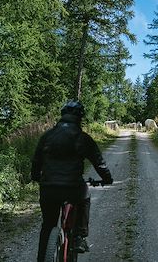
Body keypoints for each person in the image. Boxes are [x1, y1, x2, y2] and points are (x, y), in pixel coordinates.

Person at [31, 100, 113, 262]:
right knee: (85, 194)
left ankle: (42, 258)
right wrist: (107, 179)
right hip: (73, 188)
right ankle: (80, 235)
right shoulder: (82, 137)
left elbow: (36, 161)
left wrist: (36, 177)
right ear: (79, 118)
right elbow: (99, 162)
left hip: (48, 188)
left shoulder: (47, 136)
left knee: (47, 226)